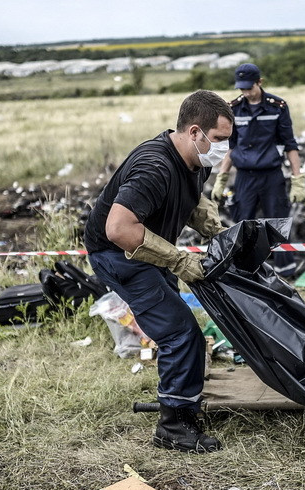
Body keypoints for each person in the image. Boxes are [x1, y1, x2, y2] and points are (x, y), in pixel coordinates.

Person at [84, 89, 233, 454]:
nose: (224, 149)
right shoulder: (154, 166)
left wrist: (219, 232)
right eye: (219, 140)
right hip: (118, 254)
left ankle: (182, 402)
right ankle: (173, 425)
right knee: (180, 333)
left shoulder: (196, 159)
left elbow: (192, 196)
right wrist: (179, 260)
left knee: (178, 327)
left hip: (148, 248)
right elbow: (118, 229)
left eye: (228, 141)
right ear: (194, 131)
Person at [211, 63, 305, 277]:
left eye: (249, 87)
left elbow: (290, 144)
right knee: (242, 225)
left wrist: (298, 180)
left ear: (259, 82)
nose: (245, 92)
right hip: (245, 177)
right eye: (241, 88)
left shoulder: (277, 107)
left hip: (272, 176)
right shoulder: (233, 109)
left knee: (277, 225)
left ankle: (286, 274)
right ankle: (244, 273)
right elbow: (230, 147)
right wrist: (222, 178)